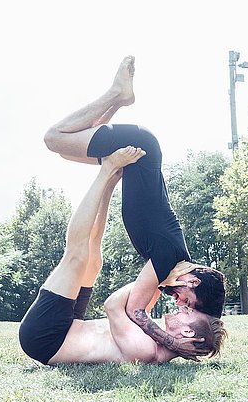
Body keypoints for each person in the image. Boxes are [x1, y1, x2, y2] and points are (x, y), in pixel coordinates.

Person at [43, 56, 226, 359]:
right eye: (188, 301)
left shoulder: (171, 265)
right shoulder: (169, 258)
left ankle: (119, 98)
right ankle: (117, 95)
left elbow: (135, 309)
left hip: (141, 153)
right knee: (55, 138)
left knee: (68, 150)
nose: (180, 304)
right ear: (193, 281)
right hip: (142, 149)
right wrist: (175, 345)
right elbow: (135, 311)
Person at [18, 147, 227, 365]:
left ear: (187, 332)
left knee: (77, 257)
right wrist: (156, 281)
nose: (181, 307)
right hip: (72, 326)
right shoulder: (150, 339)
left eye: (187, 312)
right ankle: (107, 185)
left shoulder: (146, 350)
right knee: (93, 260)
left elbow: (113, 305)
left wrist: (160, 278)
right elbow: (140, 304)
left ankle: (106, 168)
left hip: (47, 339)